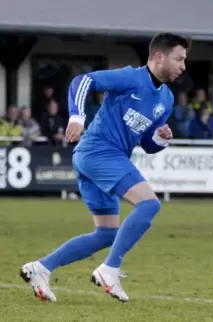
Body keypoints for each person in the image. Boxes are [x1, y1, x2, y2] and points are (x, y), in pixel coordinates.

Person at [19, 33, 190, 303]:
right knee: (149, 205)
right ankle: (109, 270)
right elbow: (83, 80)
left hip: (100, 157)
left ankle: (41, 268)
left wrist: (160, 139)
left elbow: (146, 142)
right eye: (179, 59)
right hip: (99, 151)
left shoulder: (166, 99)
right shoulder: (131, 77)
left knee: (108, 233)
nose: (183, 66)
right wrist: (77, 116)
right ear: (159, 56)